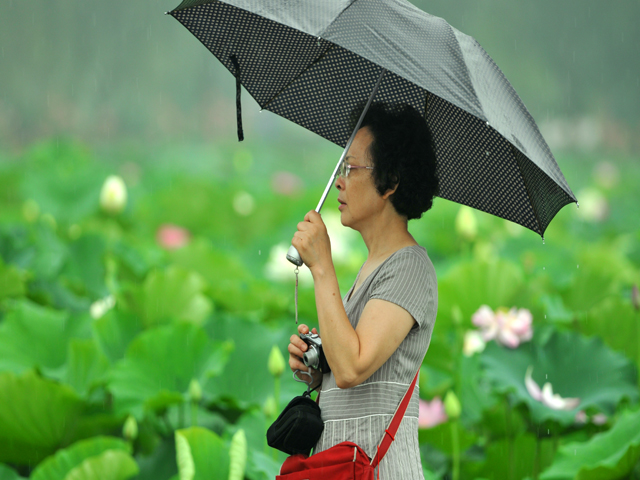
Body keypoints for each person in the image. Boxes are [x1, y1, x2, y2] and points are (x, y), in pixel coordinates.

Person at [287, 102, 439, 479]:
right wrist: (317, 362)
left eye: (351, 169)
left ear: (390, 182)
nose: (340, 181)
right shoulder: (372, 265)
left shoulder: (410, 268)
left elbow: (353, 367)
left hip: (380, 468)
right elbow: (349, 365)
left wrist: (322, 266)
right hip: (340, 465)